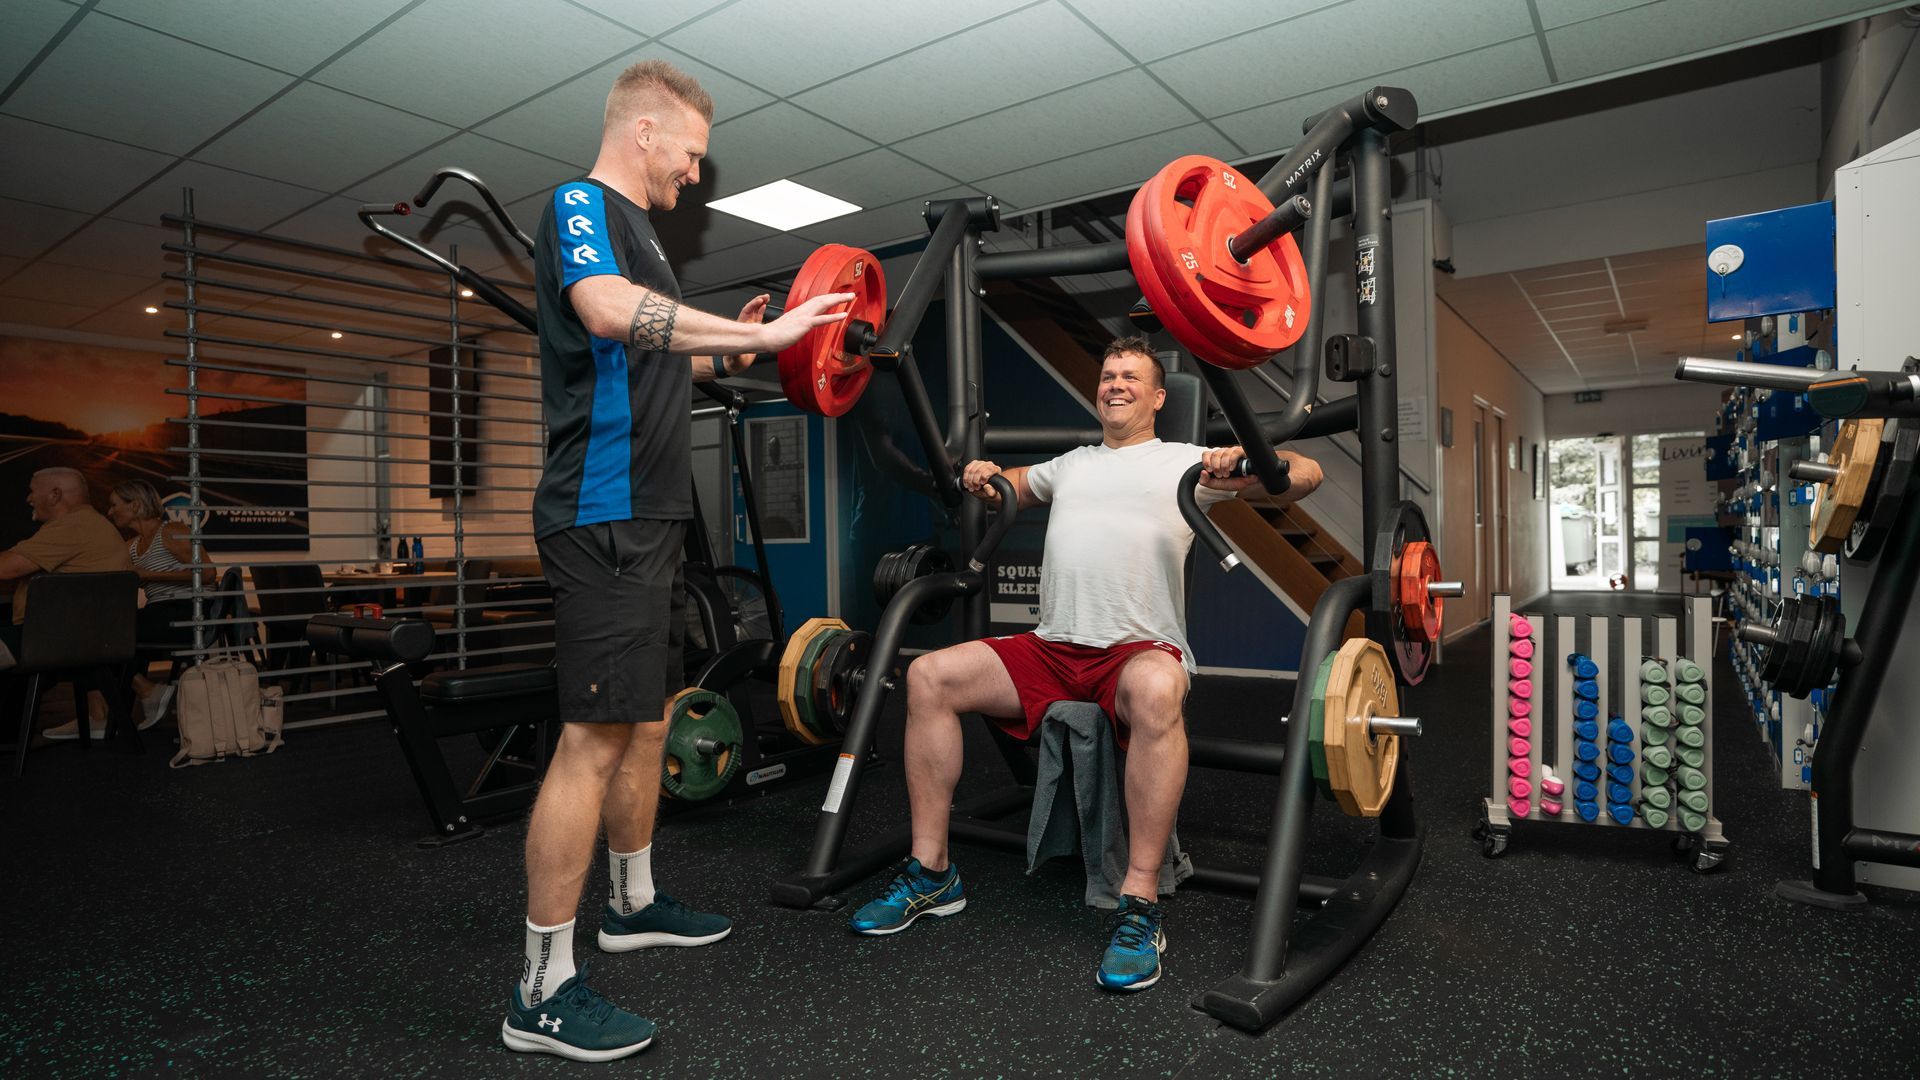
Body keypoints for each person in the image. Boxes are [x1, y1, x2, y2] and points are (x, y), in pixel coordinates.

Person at [501, 59, 853, 1063]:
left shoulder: (648, 237)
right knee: (593, 739)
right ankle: (539, 989)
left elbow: (663, 354)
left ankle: (632, 901)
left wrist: (741, 347)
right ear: (645, 132)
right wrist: (784, 326)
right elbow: (609, 313)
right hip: (600, 511)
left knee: (647, 723)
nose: (697, 176)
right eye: (693, 154)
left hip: (649, 514)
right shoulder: (582, 205)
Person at [846, 336, 1324, 993]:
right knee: (930, 676)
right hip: (1052, 646)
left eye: (1131, 376)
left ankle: (1141, 904)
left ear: (1159, 398)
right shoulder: (1072, 465)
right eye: (1107, 375)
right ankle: (933, 872)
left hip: (1135, 651)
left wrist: (1241, 458)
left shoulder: (1188, 462)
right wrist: (981, 476)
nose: (1115, 384)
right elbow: (1009, 486)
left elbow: (1304, 473)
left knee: (1159, 687)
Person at [0, 467, 137, 734]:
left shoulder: (71, 526)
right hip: (85, 638)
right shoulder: (91, 523)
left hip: (54, 643)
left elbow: (5, 568)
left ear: (55, 495)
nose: (28, 498)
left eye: (32, 491)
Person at [106, 480, 194, 730]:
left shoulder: (172, 530)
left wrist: (149, 575)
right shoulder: (130, 547)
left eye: (114, 505)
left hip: (186, 611)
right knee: (105, 633)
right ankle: (141, 699)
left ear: (134, 505)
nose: (109, 511)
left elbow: (207, 576)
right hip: (158, 611)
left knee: (109, 635)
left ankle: (147, 694)